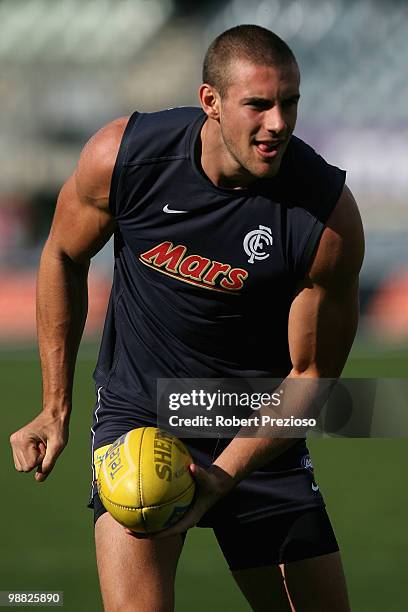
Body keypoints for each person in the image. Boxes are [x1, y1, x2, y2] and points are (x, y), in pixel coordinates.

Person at [10, 24, 364, 612]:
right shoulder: (126, 156)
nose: (278, 122)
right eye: (259, 104)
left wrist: (226, 474)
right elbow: (64, 254)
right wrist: (55, 406)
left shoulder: (323, 217)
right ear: (211, 102)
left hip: (253, 425)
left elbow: (311, 379)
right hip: (140, 417)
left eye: (290, 102)